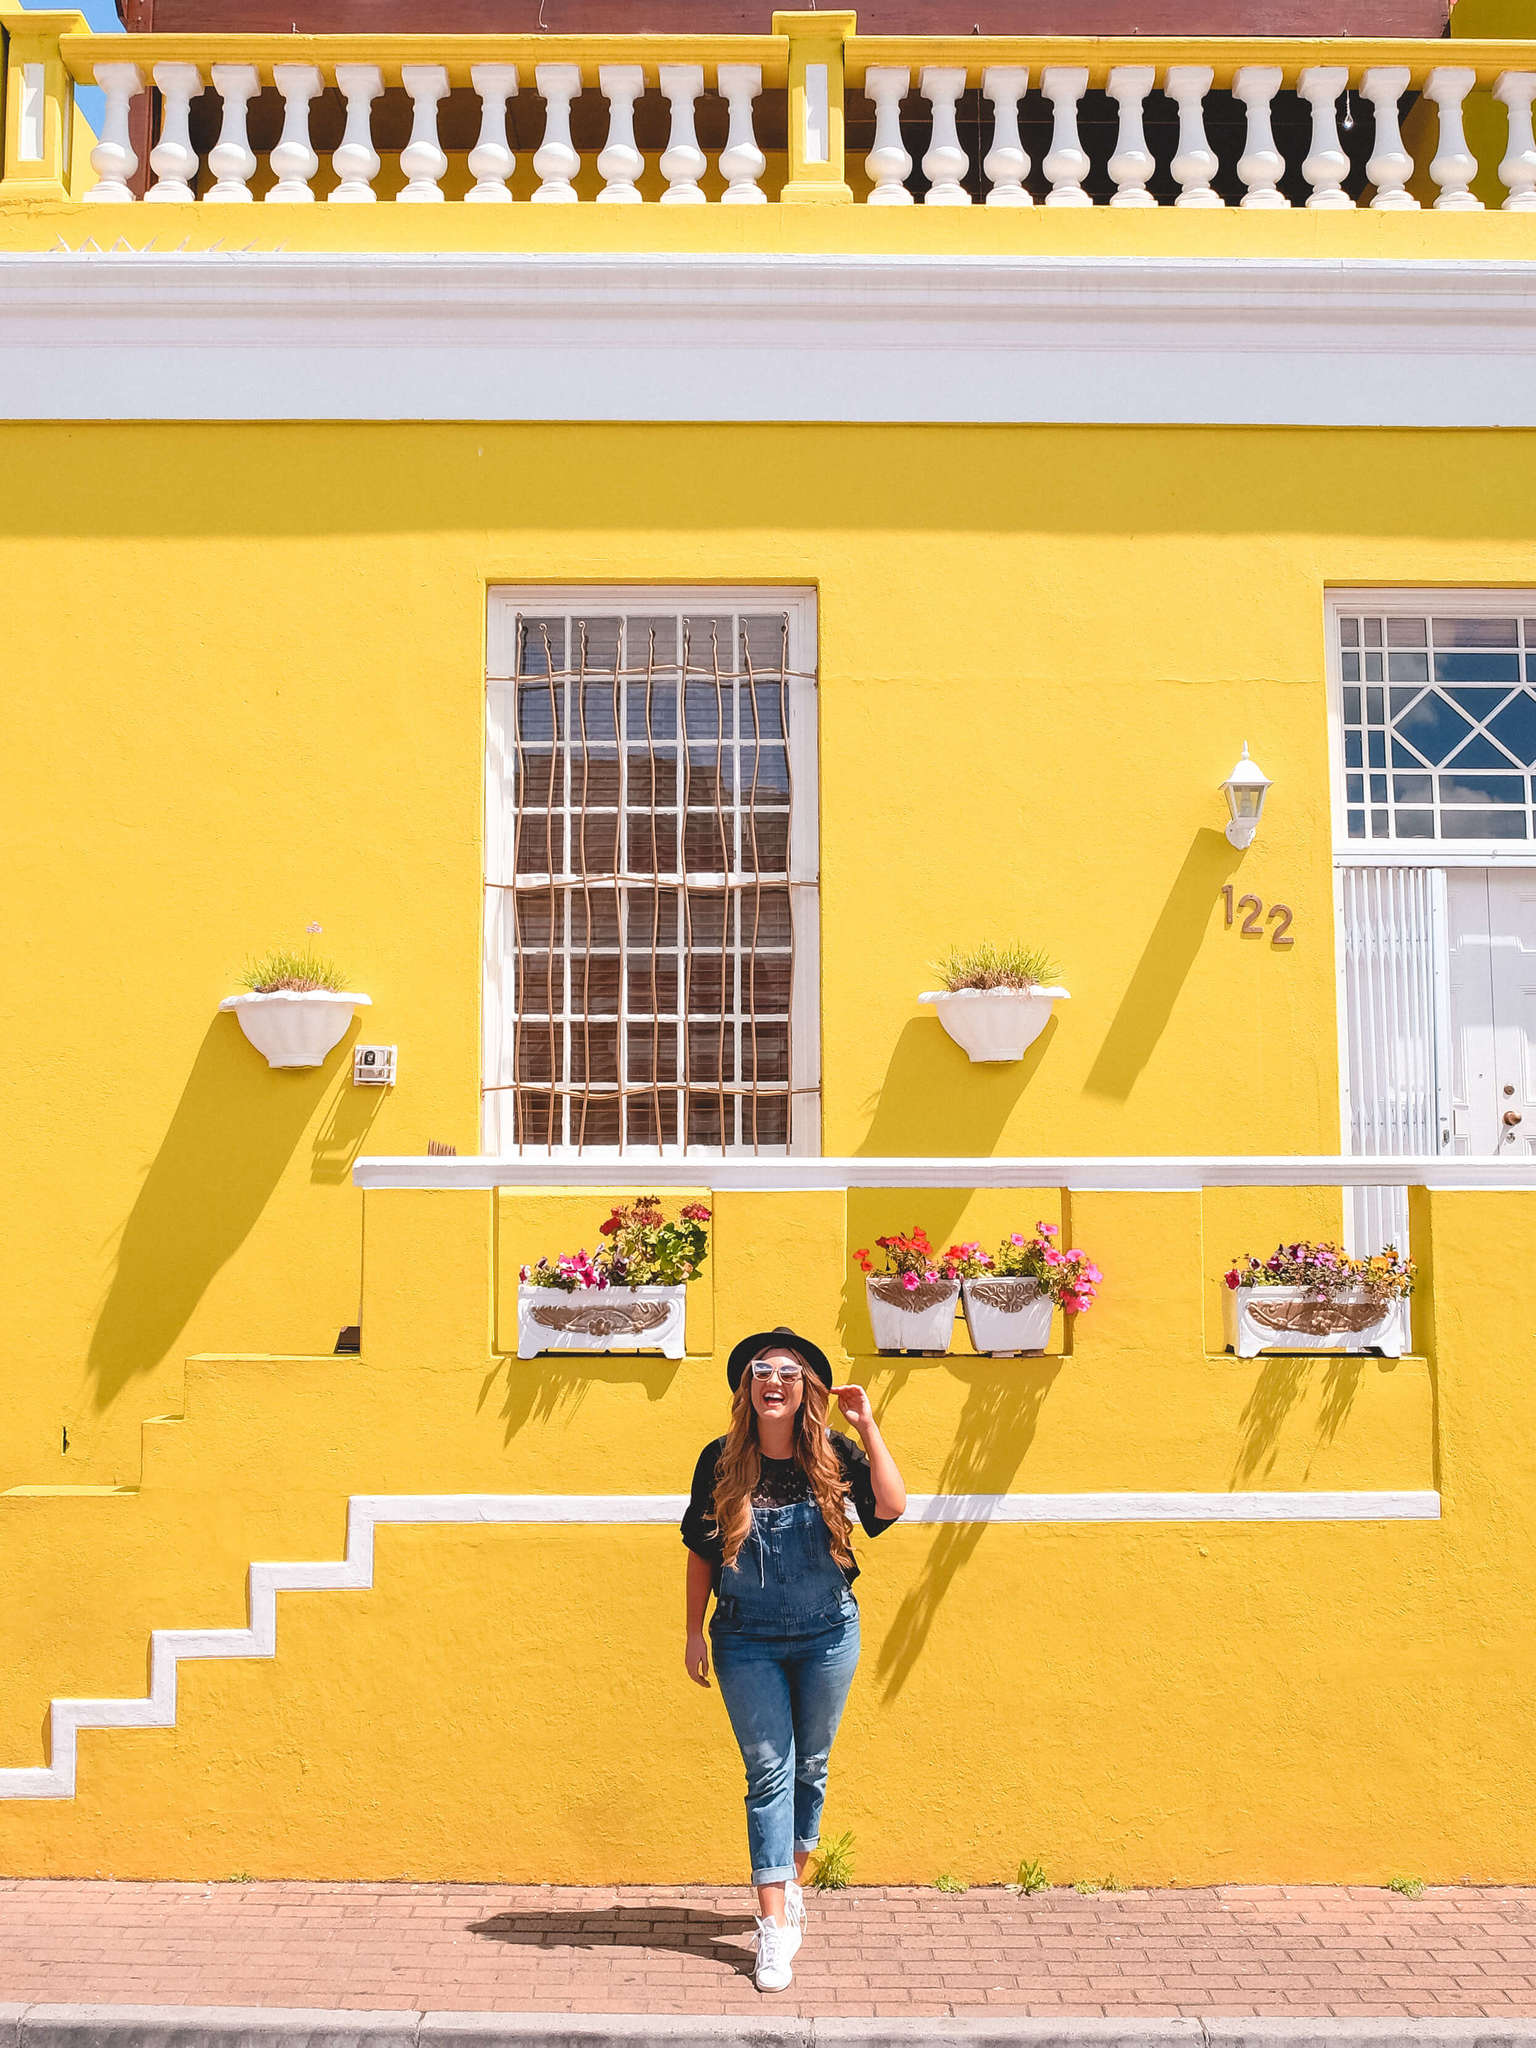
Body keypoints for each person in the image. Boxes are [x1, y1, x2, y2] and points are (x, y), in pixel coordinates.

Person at [681, 1324, 907, 1994]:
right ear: (746, 1390)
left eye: (786, 1372)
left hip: (826, 1635)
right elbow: (700, 1550)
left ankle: (791, 1882)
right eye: (759, 1371)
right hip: (745, 1637)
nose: (771, 1381)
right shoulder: (720, 1460)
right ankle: (773, 1928)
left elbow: (891, 1507)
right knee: (769, 1772)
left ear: (806, 1388)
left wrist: (867, 1425)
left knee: (811, 1765)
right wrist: (693, 1631)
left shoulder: (834, 1454)